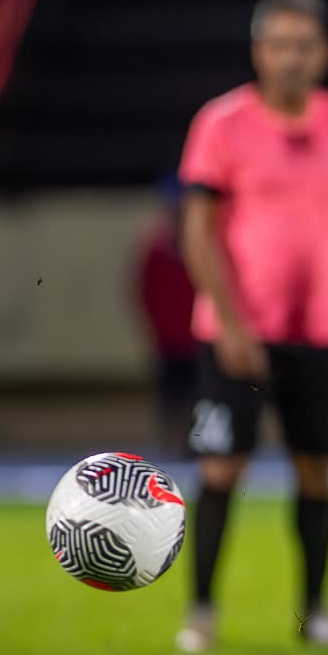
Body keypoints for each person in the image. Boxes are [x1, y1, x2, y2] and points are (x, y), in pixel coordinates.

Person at [173, 0, 328, 653]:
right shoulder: (222, 123)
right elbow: (198, 231)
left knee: (316, 470)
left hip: (317, 329)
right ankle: (201, 615)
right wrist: (232, 323)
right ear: (258, 52)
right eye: (280, 45)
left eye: (304, 45)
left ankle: (314, 615)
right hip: (234, 331)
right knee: (220, 469)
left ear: (322, 53)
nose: (292, 58)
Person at [136, 174, 198, 455]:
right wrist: (158, 328)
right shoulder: (157, 249)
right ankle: (169, 445)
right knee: (171, 397)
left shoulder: (200, 247)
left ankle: (192, 444)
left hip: (196, 339)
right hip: (169, 340)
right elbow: (147, 293)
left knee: (197, 397)